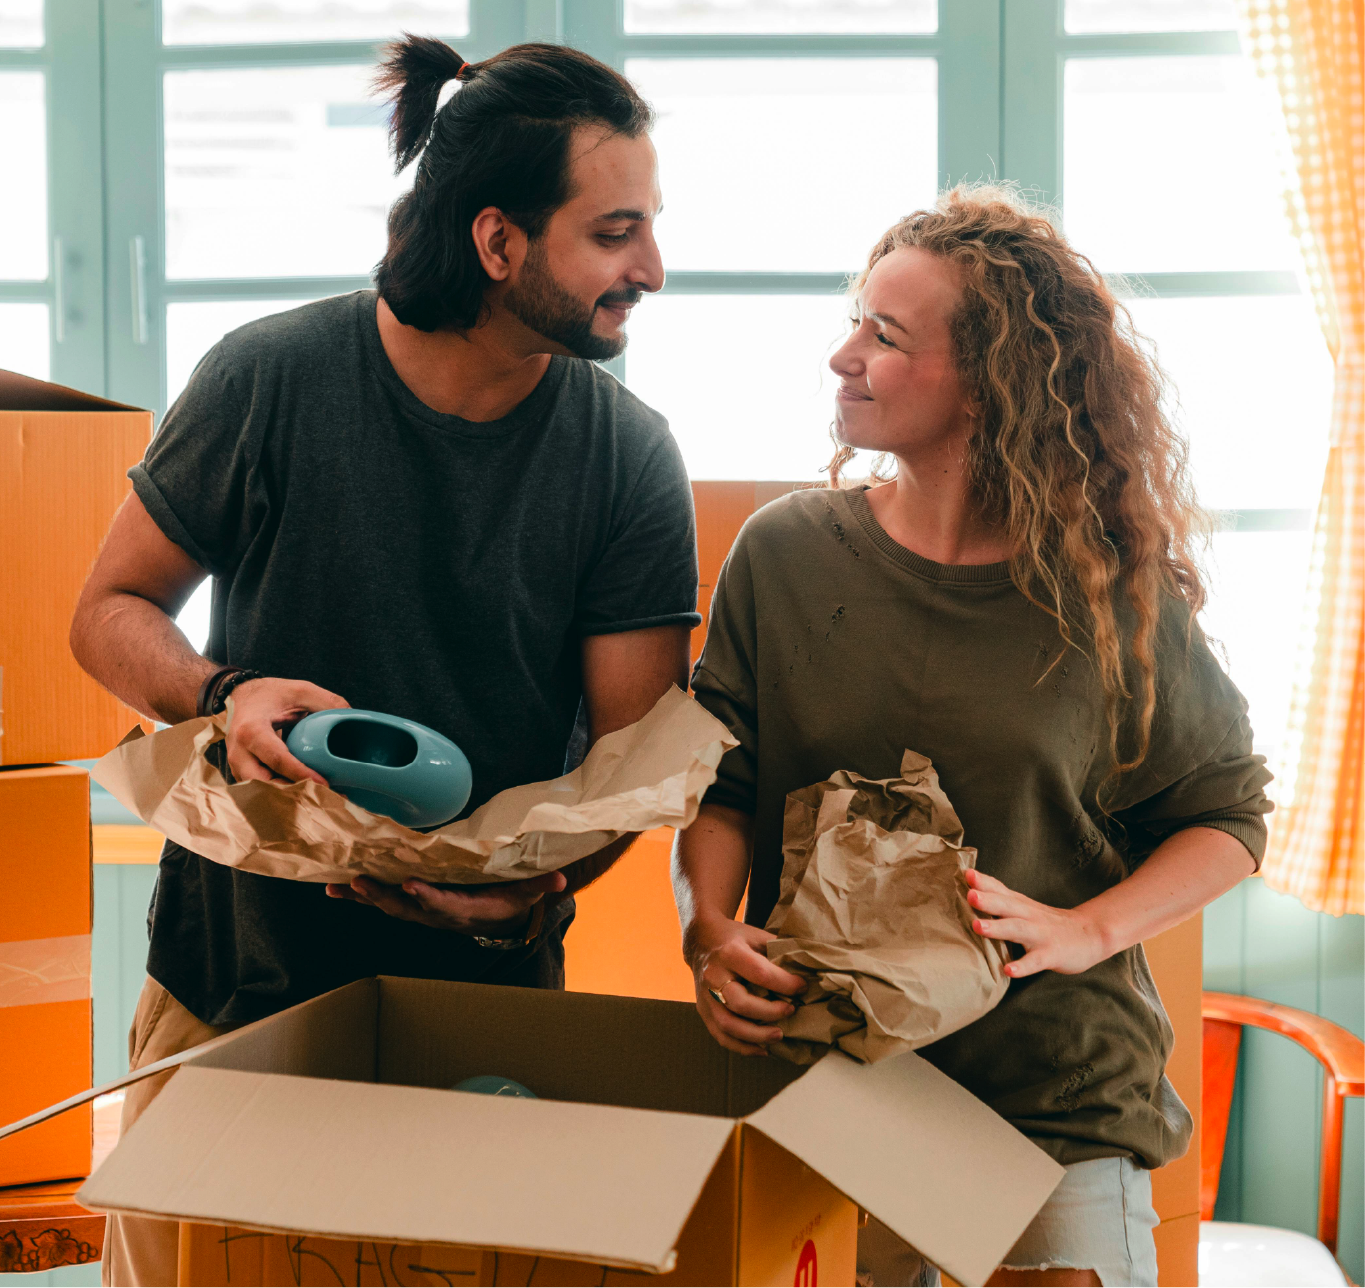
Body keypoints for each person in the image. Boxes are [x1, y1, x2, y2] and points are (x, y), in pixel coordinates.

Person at [71, 37, 697, 1288]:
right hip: (232, 982)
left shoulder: (627, 458)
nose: (653, 270)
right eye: (615, 232)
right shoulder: (271, 380)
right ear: (498, 242)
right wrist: (219, 692)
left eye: (651, 228)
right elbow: (108, 610)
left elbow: (632, 759)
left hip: (481, 1009)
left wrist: (537, 884)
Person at [673, 185, 1271, 1288]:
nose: (843, 355)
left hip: (1055, 1111)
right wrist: (707, 928)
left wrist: (1088, 930)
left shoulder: (1108, 595)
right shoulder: (783, 555)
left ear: (989, 388)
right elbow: (721, 779)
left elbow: (1228, 814)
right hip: (832, 1096)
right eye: (856, 318)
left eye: (885, 335)